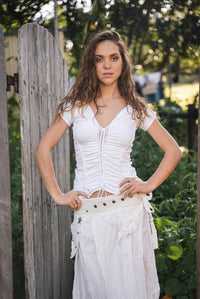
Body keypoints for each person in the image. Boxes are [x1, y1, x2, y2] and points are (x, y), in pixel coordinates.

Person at [35, 30, 182, 299]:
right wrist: (58, 195)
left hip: (128, 215)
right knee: (95, 289)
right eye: (99, 59)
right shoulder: (74, 107)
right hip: (89, 215)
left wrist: (148, 184)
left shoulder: (136, 108)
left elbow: (173, 150)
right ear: (91, 64)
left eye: (113, 58)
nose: (106, 65)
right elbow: (42, 149)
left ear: (122, 63)